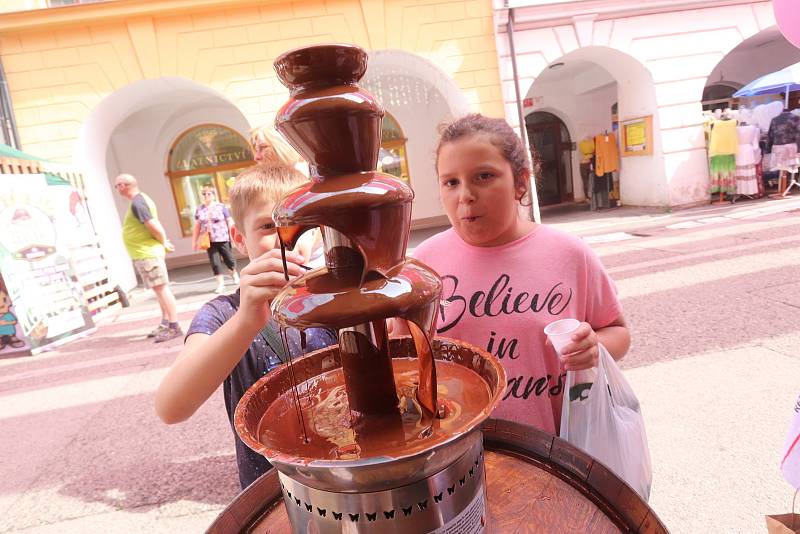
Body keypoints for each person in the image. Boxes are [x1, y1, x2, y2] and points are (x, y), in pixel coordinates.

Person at [397, 114, 630, 436]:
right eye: (451, 182)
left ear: (520, 181)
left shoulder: (570, 255)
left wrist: (595, 347)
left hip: (556, 448)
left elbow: (617, 332)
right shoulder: (423, 266)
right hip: (457, 452)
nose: (465, 195)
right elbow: (401, 356)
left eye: (483, 176)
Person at [154, 164, 336, 489]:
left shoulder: (334, 298)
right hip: (271, 490)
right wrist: (246, 322)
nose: (286, 239)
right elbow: (171, 407)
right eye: (268, 226)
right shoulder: (224, 313)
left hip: (341, 477)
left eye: (300, 226)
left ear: (318, 232)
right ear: (239, 238)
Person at [114, 173, 182, 343]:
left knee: (161, 289)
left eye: (117, 186)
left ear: (124, 185)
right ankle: (166, 322)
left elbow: (153, 225)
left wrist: (164, 241)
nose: (117, 189)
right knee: (158, 290)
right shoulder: (140, 200)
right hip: (145, 253)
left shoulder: (138, 202)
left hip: (147, 254)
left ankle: (174, 326)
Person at [192, 184, 239, 294]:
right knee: (215, 262)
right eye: (204, 194)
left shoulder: (221, 206)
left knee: (229, 259)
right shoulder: (200, 209)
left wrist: (233, 235)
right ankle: (220, 284)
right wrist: (194, 241)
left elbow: (229, 221)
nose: (206, 196)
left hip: (223, 238)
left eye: (209, 193)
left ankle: (234, 274)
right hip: (209, 240)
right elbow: (197, 227)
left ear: (213, 195)